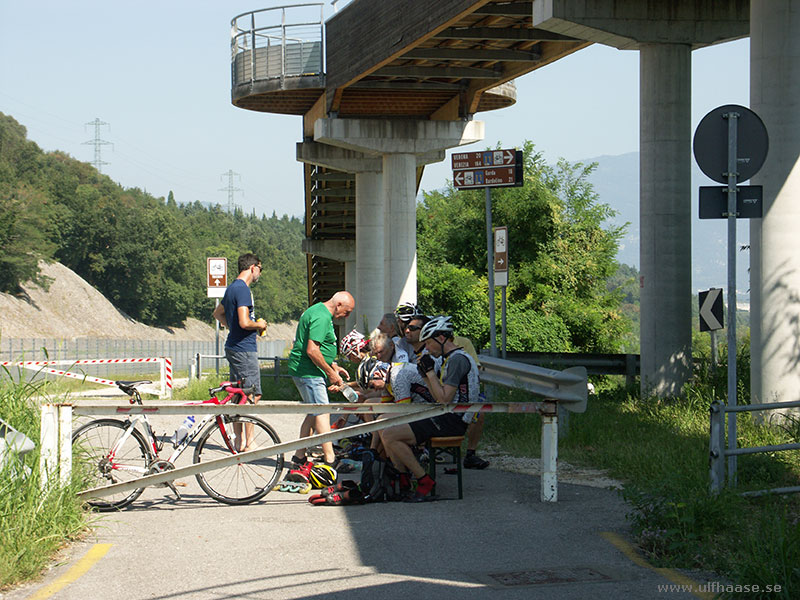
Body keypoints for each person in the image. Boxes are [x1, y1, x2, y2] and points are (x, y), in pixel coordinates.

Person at [380, 315, 481, 501]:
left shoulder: (458, 360)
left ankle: (422, 480)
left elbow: (443, 399)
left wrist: (429, 374)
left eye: (428, 342)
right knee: (382, 423)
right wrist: (426, 376)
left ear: (441, 339)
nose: (426, 347)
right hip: (445, 415)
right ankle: (403, 479)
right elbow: (438, 396)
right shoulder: (449, 358)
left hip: (453, 420)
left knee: (389, 434)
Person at [286, 291, 355, 480]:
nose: (346, 317)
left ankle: (299, 457)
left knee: (313, 413)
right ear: (339, 304)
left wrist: (333, 365)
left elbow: (321, 348)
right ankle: (330, 460)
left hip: (309, 371)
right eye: (347, 312)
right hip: (309, 372)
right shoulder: (321, 316)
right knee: (322, 412)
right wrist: (331, 373)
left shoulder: (319, 312)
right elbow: (312, 350)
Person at [211, 253, 268, 452]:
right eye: (260, 268)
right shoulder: (243, 289)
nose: (260, 273)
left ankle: (238, 441)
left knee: (238, 395)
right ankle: (249, 442)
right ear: (252, 267)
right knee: (252, 394)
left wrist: (232, 327)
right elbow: (245, 322)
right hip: (244, 349)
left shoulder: (231, 288)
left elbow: (217, 314)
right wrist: (258, 325)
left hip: (233, 346)